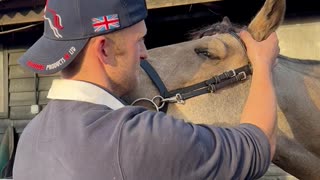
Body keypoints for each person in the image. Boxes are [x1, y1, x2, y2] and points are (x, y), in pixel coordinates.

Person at [13, 0, 279, 179]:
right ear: (104, 49)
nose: (144, 54)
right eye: (139, 41)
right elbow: (258, 146)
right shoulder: (134, 138)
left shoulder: (30, 137)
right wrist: (262, 65)